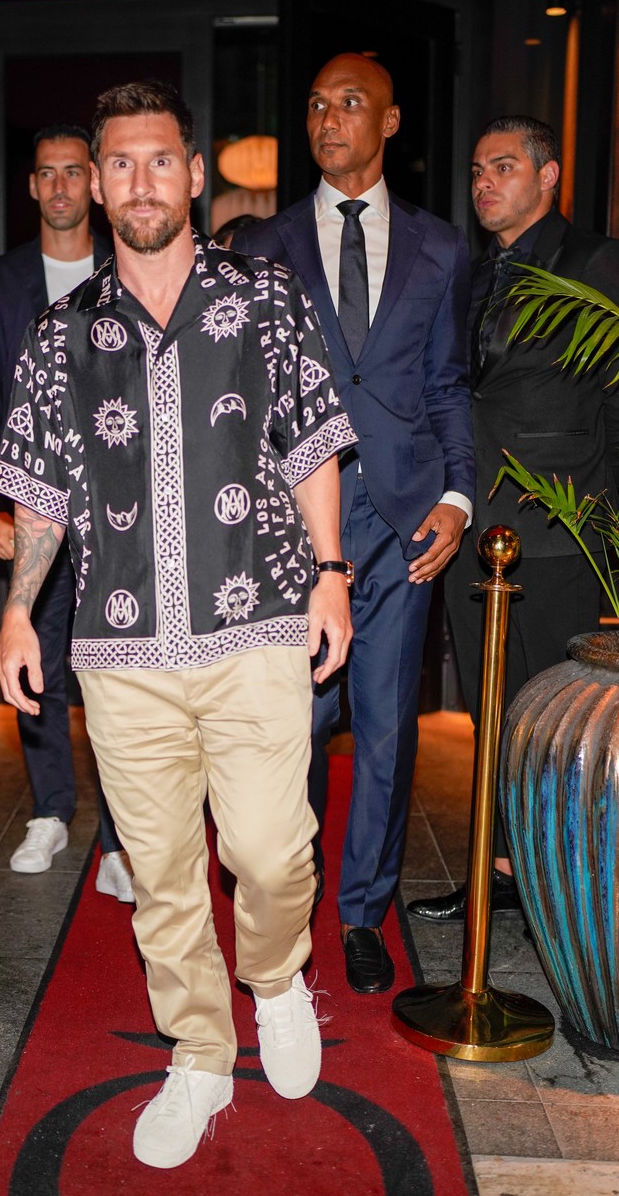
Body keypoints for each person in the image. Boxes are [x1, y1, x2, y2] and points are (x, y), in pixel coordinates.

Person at [0, 80, 357, 1169]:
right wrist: (18, 614)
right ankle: (197, 1052)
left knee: (266, 846)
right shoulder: (61, 335)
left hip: (255, 626)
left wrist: (331, 572)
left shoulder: (264, 295)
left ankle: (276, 974)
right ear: (95, 183)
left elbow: (310, 443)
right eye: (119, 163)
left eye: (160, 160)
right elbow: (41, 491)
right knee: (158, 872)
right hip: (119, 649)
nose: (140, 181)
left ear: (193, 175)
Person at [232, 53, 474, 993]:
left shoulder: (442, 248)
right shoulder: (264, 246)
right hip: (297, 524)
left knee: (382, 730)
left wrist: (456, 498)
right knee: (292, 725)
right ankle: (284, 904)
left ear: (391, 121)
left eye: (349, 104)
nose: (328, 119)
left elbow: (448, 384)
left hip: (406, 523)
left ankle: (361, 911)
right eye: (316, 104)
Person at [408, 116, 619, 923]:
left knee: (556, 718)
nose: (484, 183)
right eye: (474, 170)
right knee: (489, 711)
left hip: (561, 523)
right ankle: (496, 869)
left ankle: (558, 889)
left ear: (549, 175)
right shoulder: (467, 276)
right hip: (472, 522)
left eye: (502, 167)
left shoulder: (595, 261)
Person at [0, 124, 133, 899]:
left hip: (122, 509)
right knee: (40, 660)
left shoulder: (129, 264)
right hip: (34, 502)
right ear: (31, 186)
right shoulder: (0, 282)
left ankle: (126, 838)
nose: (61, 186)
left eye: (74, 172)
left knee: (118, 667)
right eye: (47, 174)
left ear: (94, 183)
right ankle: (52, 810)